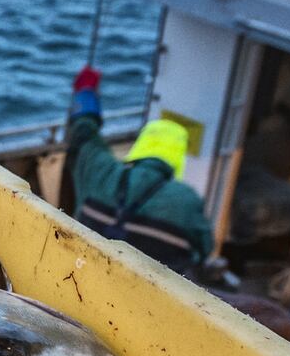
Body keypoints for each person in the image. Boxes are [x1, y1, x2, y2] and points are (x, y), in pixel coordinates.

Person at [66, 66, 215, 276]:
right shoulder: (187, 199)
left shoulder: (101, 171)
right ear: (178, 157)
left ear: (141, 145)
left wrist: (86, 92)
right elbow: (204, 249)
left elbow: (82, 134)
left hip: (81, 276)